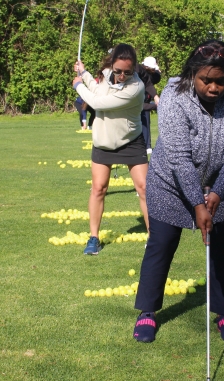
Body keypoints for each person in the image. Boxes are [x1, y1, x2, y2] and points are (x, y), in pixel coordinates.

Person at [132, 39, 224, 343]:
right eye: (206, 80)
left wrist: (216, 193)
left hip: (221, 183)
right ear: (192, 74)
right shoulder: (175, 94)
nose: (213, 87)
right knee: (160, 244)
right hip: (169, 182)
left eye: (220, 81)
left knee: (223, 248)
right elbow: (178, 156)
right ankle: (147, 311)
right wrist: (197, 204)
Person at [72, 43, 149, 255]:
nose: (122, 75)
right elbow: (98, 89)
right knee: (98, 188)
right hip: (103, 141)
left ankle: (154, 238)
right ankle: (93, 238)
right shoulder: (107, 75)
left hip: (130, 141)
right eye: (118, 71)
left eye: (128, 72)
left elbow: (98, 102)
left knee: (144, 188)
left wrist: (78, 85)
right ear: (112, 65)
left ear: (133, 69)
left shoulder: (136, 88)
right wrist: (85, 74)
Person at [140, 56, 162, 154]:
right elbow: (157, 76)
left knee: (145, 123)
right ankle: (146, 145)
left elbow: (156, 77)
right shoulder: (147, 75)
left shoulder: (146, 73)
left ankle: (147, 145)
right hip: (141, 102)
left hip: (145, 102)